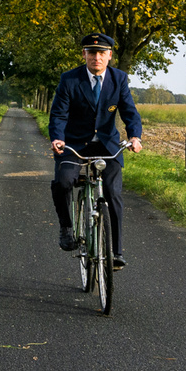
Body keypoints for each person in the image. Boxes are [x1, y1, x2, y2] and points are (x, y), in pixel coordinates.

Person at [49, 33, 142, 267]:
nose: (96, 57)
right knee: (64, 181)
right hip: (74, 143)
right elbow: (59, 114)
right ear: (84, 55)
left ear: (110, 55)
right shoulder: (70, 80)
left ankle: (116, 252)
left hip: (106, 144)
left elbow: (129, 111)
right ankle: (67, 228)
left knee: (112, 191)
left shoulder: (119, 79)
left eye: (102, 53)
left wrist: (135, 136)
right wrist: (58, 138)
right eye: (92, 53)